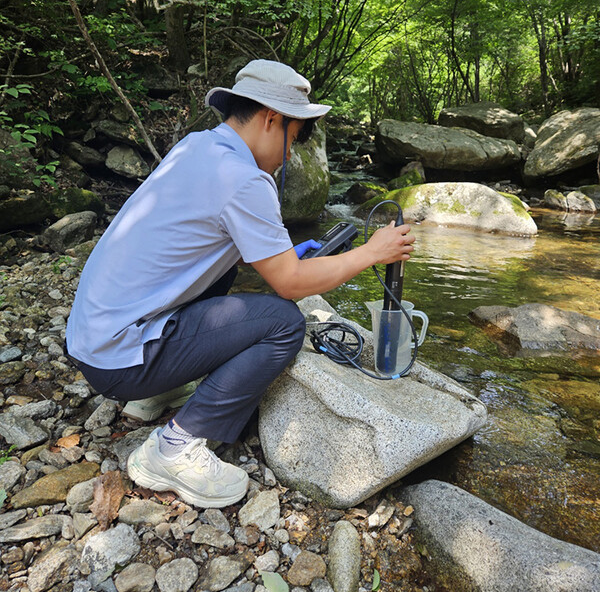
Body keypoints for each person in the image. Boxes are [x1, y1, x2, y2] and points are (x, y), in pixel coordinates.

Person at [65, 59, 414, 509]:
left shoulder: (198, 147)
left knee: (229, 265)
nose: (291, 153)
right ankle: (174, 447)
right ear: (272, 118)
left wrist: (290, 254)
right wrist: (371, 253)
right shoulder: (244, 179)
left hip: (94, 339)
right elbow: (289, 285)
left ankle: (158, 390)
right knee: (283, 323)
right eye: (296, 135)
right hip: (119, 360)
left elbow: (219, 243)